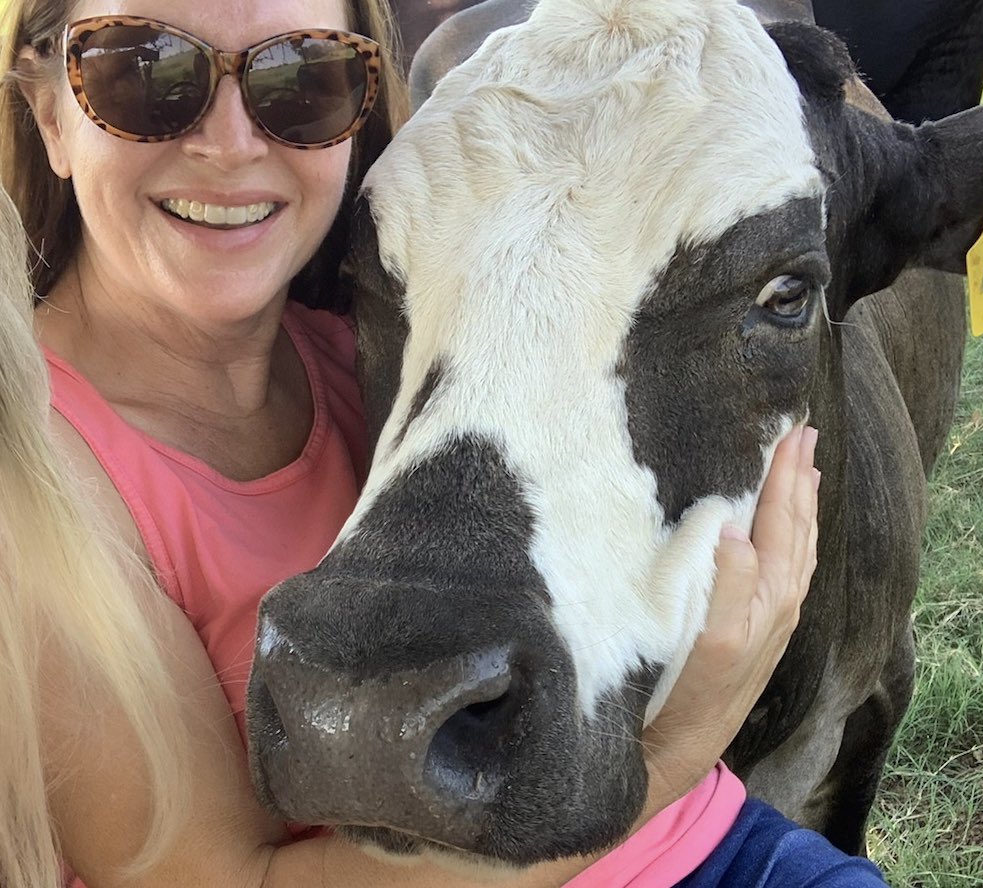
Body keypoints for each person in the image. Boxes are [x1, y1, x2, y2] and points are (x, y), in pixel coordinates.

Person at [0, 1, 885, 886]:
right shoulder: (32, 481)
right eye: (145, 73)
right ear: (51, 114)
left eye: (301, 78)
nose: (229, 144)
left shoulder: (373, 335)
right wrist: (685, 737)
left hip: (700, 836)